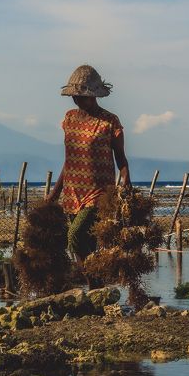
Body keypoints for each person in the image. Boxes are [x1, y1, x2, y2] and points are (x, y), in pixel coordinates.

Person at [48, 64, 131, 260]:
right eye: (74, 97)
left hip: (99, 193)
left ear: (94, 95)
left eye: (82, 96)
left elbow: (120, 156)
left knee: (75, 235)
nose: (77, 100)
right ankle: (95, 284)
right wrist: (54, 194)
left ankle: (91, 278)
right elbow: (69, 161)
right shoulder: (70, 119)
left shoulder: (109, 121)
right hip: (72, 192)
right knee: (86, 244)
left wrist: (124, 182)